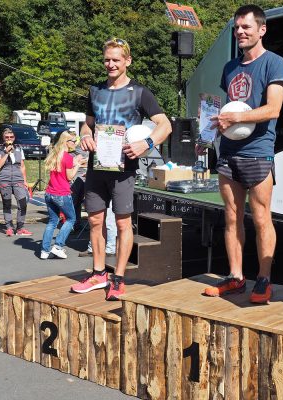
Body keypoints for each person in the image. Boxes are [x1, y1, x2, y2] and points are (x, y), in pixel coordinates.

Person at [198, 4, 283, 304]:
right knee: (232, 217)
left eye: (246, 27)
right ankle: (236, 277)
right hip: (229, 153)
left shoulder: (274, 63)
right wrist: (207, 136)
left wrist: (235, 119)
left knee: (261, 217)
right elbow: (226, 109)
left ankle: (263, 279)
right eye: (237, 27)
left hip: (259, 153)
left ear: (261, 30)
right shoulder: (229, 68)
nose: (240, 32)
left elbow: (273, 109)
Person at [70, 37, 172, 300]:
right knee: (94, 220)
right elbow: (87, 125)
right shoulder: (95, 91)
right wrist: (84, 135)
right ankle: (98, 273)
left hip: (124, 168)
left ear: (127, 61)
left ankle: (119, 277)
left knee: (123, 222)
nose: (111, 64)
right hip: (97, 167)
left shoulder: (140, 92)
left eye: (116, 59)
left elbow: (165, 125)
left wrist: (146, 143)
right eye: (107, 59)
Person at [40, 130, 83, 259]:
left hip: (49, 193)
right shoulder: (68, 157)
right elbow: (69, 177)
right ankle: (58, 246)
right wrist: (78, 165)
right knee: (71, 219)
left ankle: (44, 250)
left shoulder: (55, 154)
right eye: (74, 141)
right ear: (66, 142)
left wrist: (73, 162)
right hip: (62, 194)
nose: (76, 143)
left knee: (52, 221)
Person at [0, 127, 32, 237]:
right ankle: (9, 227)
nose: (9, 139)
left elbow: (22, 166)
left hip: (18, 179)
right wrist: (6, 153)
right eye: (7, 137)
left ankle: (20, 228)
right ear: (3, 138)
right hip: (4, 180)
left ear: (14, 138)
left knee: (23, 203)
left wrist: (25, 181)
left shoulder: (19, 149)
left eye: (11, 137)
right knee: (7, 204)